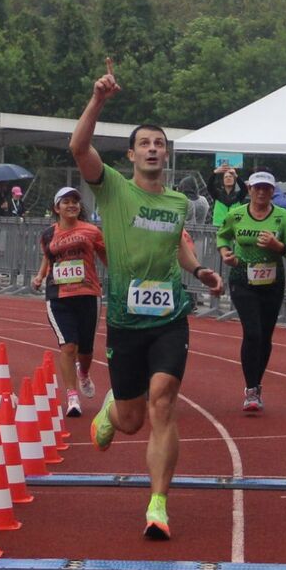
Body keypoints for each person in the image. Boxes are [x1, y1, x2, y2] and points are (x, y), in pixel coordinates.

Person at [71, 57, 223, 540]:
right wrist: (98, 100)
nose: (153, 149)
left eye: (160, 144)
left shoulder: (177, 202)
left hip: (169, 317)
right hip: (123, 319)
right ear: (132, 156)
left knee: (163, 401)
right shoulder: (113, 190)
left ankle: (158, 503)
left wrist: (198, 269)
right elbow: (78, 147)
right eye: (145, 144)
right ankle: (113, 409)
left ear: (166, 155)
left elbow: (177, 240)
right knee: (134, 419)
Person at [217, 171, 286, 413]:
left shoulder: (283, 217)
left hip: (272, 282)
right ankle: (251, 389)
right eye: (258, 188)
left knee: (265, 336)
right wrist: (225, 254)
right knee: (252, 332)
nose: (262, 192)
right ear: (249, 189)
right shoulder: (236, 215)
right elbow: (222, 237)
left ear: (273, 191)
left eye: (267, 188)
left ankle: (257, 383)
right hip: (242, 279)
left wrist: (279, 246)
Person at [31, 186, 107, 417]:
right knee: (68, 346)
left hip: (88, 294)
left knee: (85, 350)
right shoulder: (47, 234)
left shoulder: (92, 231)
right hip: (59, 297)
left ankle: (83, 372)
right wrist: (40, 275)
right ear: (57, 208)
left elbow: (106, 257)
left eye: (75, 201)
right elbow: (48, 257)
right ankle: (72, 396)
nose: (72, 205)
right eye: (66, 202)